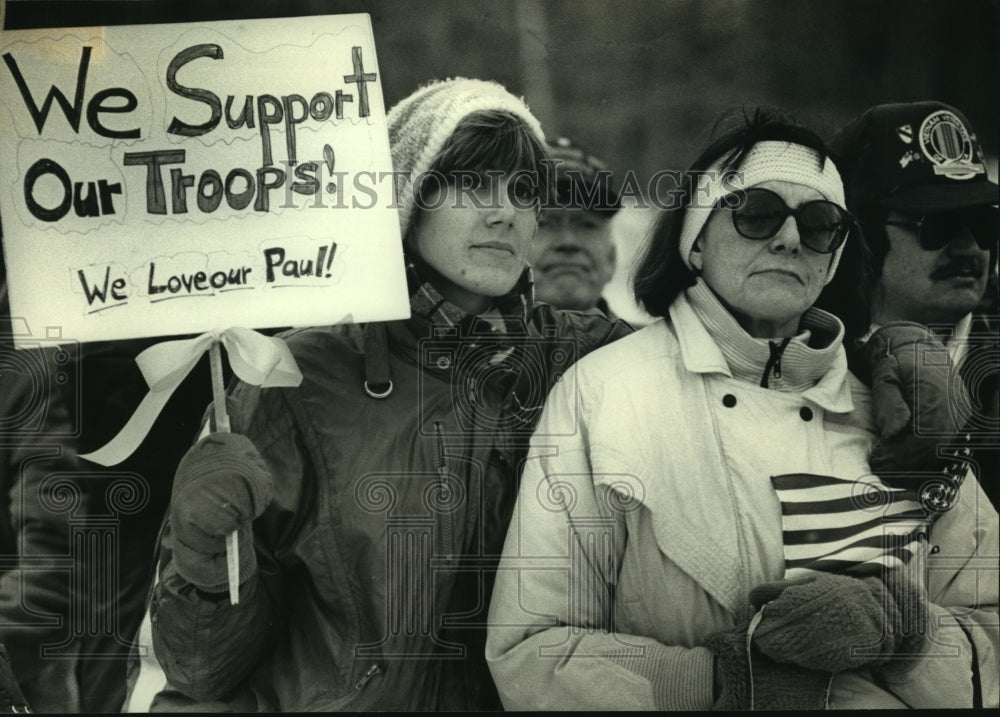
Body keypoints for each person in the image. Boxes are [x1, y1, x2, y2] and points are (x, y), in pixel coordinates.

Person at [126, 78, 632, 712]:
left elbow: (728, 363)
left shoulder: (588, 357)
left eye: (524, 190)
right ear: (407, 195)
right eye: (473, 182)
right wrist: (204, 555)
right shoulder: (293, 380)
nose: (505, 211)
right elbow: (199, 672)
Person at [486, 108, 999, 710]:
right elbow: (530, 651)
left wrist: (909, 639)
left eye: (817, 223)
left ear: (833, 257)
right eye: (755, 215)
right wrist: (723, 680)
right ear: (696, 241)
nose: (787, 238)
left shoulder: (900, 408)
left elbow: (987, 631)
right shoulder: (604, 394)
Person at [831, 101, 999, 511]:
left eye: (983, 221)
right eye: (936, 224)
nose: (968, 245)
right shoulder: (805, 361)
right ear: (862, 235)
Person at [528, 136, 621, 315]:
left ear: (612, 258)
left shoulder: (665, 343)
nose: (568, 242)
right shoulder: (465, 342)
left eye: (587, 225)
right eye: (545, 223)